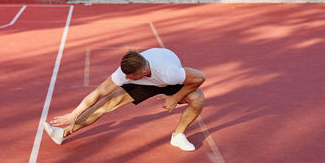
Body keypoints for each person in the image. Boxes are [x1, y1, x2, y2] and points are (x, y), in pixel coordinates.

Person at [43, 48, 206, 151]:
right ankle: (61, 133)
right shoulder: (125, 73)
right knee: (106, 103)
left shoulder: (170, 73)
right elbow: (99, 92)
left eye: (129, 76)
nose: (125, 78)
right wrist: (74, 114)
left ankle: (178, 136)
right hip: (145, 83)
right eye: (124, 74)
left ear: (141, 73)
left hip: (168, 82)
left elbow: (199, 78)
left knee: (198, 99)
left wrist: (175, 97)